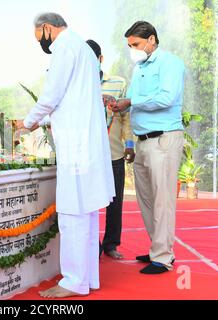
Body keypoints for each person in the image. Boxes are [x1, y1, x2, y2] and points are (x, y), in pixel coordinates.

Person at [14, 12, 115, 298]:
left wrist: (27, 122)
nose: (41, 45)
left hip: (77, 146)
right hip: (85, 141)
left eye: (39, 38)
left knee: (72, 213)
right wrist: (44, 122)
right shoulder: (82, 48)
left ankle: (72, 281)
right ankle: (86, 280)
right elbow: (72, 102)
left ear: (47, 28)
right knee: (86, 213)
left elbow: (51, 96)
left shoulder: (63, 47)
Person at [112, 21, 185, 274]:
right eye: (130, 45)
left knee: (163, 199)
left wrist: (131, 100)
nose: (133, 49)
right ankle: (159, 247)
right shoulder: (139, 67)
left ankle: (163, 257)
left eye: (136, 44)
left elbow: (167, 97)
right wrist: (119, 103)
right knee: (147, 200)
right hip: (143, 142)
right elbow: (132, 103)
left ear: (152, 40)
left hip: (163, 139)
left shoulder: (170, 63)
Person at [86, 39, 135, 260]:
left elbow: (126, 117)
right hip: (87, 154)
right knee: (88, 202)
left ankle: (111, 244)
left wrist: (130, 144)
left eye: (92, 60)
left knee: (115, 203)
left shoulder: (118, 83)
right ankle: (92, 245)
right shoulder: (77, 84)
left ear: (100, 59)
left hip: (114, 151)